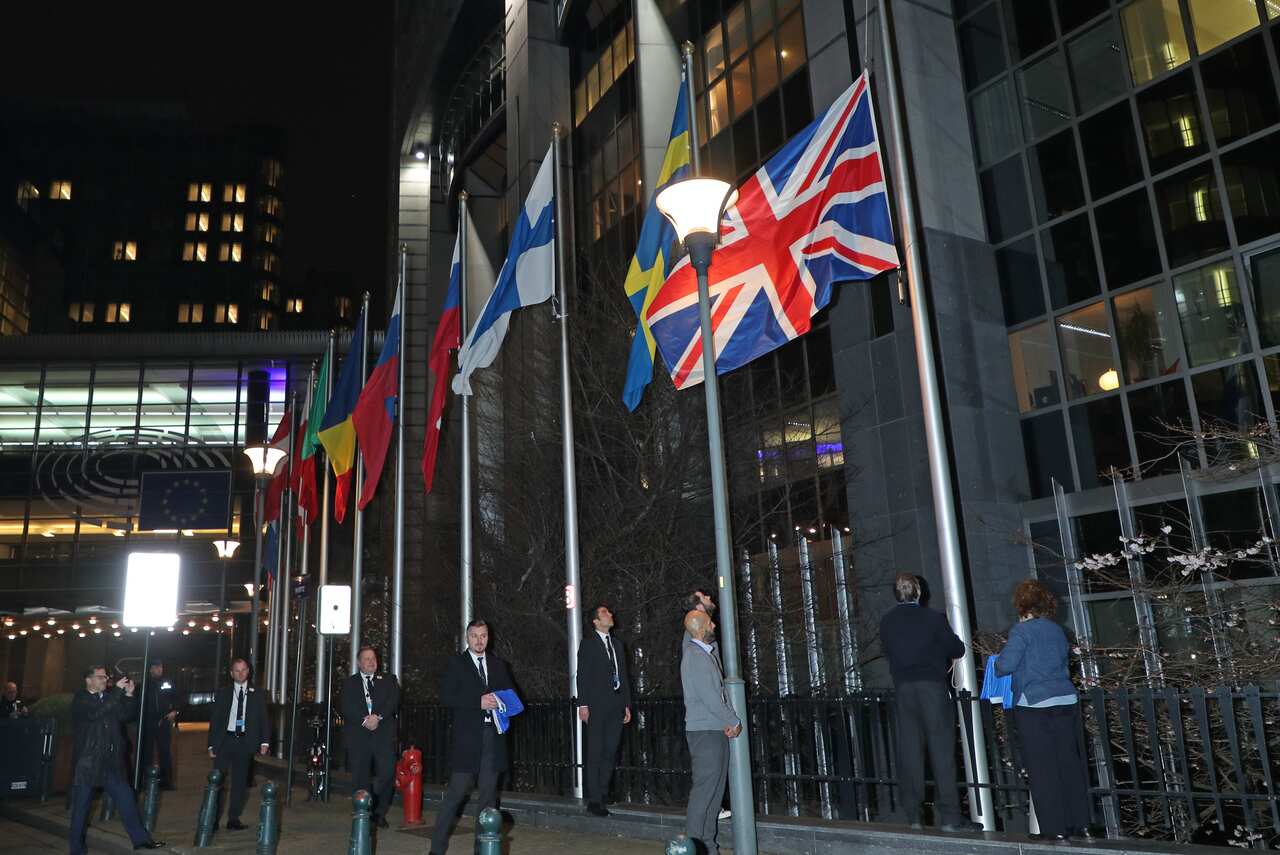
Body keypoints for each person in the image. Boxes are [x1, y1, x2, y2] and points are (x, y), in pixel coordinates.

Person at [878, 573, 981, 832]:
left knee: (910, 752)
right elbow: (957, 649)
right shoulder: (933, 618)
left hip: (904, 690)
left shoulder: (887, 621)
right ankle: (950, 817)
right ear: (919, 593)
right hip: (932, 689)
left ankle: (913, 815)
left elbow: (887, 651)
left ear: (896, 594)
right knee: (942, 751)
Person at [994, 580, 1092, 842]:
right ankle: (1081, 824)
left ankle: (1055, 828)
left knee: (1042, 768)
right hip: (1065, 700)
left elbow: (1005, 665)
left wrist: (999, 660)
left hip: (1034, 704)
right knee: (1068, 763)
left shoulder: (1021, 631)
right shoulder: (1058, 630)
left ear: (1021, 605)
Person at [429, 619, 514, 855]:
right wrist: (477, 702)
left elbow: (513, 697)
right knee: (455, 795)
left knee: (488, 799)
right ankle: (436, 850)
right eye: (475, 636)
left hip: (492, 740)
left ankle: (482, 849)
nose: (479, 640)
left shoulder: (499, 665)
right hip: (466, 740)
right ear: (467, 638)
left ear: (489, 637)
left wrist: (500, 701)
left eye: (483, 636)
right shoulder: (456, 664)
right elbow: (446, 697)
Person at [69, 665, 165, 853]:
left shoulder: (108, 698)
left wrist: (129, 696)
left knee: (126, 798)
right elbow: (95, 714)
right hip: (88, 763)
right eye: (100, 677)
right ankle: (76, 849)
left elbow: (125, 715)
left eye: (106, 676)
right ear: (88, 680)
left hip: (110, 762)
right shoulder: (81, 699)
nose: (105, 680)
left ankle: (141, 839)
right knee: (81, 807)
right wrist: (117, 693)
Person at [680, 608, 741, 855]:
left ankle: (707, 846)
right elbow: (710, 697)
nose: (714, 625)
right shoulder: (696, 656)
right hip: (705, 731)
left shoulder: (703, 653)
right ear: (700, 629)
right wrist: (733, 720)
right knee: (705, 793)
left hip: (711, 729)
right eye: (710, 622)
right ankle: (695, 847)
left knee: (713, 794)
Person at [576, 603, 632, 816]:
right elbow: (582, 675)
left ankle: (604, 791)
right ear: (596, 621)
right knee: (596, 753)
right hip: (597, 706)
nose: (611, 614)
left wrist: (627, 704)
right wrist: (583, 704)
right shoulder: (588, 644)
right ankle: (594, 800)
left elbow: (624, 675)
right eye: (605, 613)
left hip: (616, 705)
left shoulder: (617, 644)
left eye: (610, 611)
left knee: (610, 752)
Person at [340, 645, 400, 829]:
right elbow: (345, 706)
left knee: (387, 773)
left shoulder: (389, 680)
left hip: (383, 735)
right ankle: (363, 812)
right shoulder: (349, 683)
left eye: (373, 658)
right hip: (359, 736)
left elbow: (394, 701)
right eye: (366, 658)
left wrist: (378, 716)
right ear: (359, 663)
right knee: (360, 776)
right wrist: (364, 720)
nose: (371, 661)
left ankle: (379, 812)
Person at [207, 658, 270, 831]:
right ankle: (212, 818)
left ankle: (233, 818)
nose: (240, 673)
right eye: (237, 670)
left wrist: (265, 740)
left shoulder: (257, 693)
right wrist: (211, 745)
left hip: (245, 741)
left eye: (243, 670)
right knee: (217, 779)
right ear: (231, 673)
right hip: (225, 741)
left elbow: (263, 718)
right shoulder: (223, 693)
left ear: (248, 671)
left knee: (240, 782)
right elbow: (215, 720)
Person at [138, 660, 177, 789]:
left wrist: (174, 711)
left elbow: (177, 696)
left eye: (160, 666)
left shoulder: (167, 682)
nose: (159, 669)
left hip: (163, 720)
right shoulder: (144, 684)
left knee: (165, 751)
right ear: (150, 669)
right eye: (156, 667)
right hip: (148, 722)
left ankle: (166, 781)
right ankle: (145, 781)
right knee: (146, 752)